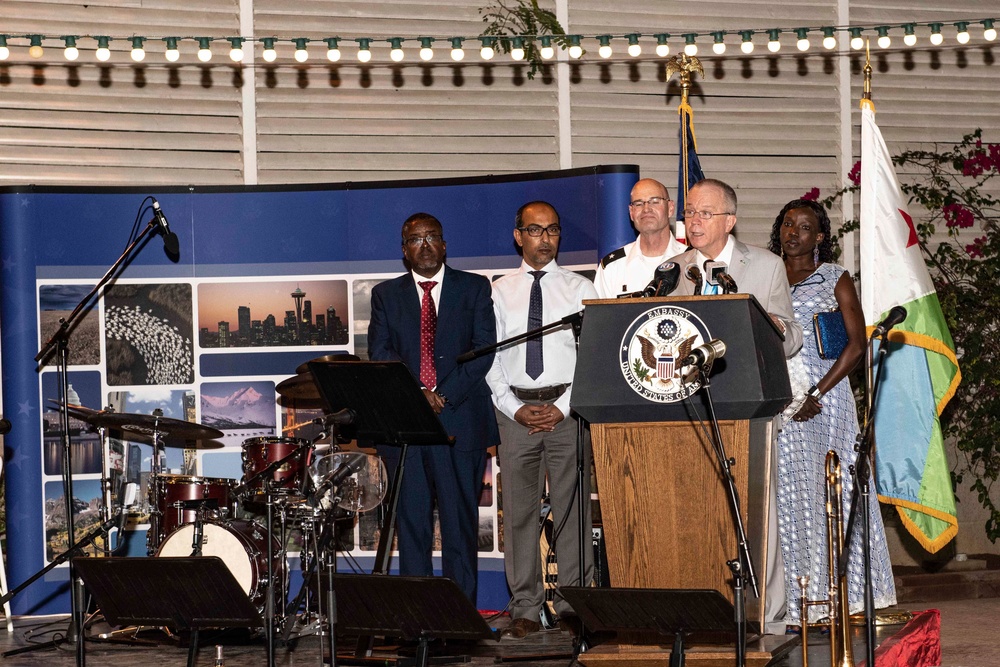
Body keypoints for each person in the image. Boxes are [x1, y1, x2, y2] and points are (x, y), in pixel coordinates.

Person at [768, 199, 897, 627]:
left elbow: (857, 345)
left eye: (805, 227)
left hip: (826, 400)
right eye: (788, 224)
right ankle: (791, 601)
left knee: (827, 493)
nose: (794, 233)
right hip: (774, 400)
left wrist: (814, 393)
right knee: (784, 497)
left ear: (819, 236)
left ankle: (838, 598)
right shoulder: (764, 274)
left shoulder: (834, 277)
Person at [368, 212, 499, 604]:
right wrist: (419, 392)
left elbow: (483, 349)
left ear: (444, 244)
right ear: (404, 250)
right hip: (408, 429)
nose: (424, 246)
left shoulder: (474, 288)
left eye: (432, 237)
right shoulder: (385, 295)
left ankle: (459, 619)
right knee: (412, 529)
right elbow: (381, 354)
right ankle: (418, 619)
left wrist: (442, 393)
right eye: (414, 239)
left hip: (462, 423)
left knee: (460, 527)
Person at [487, 201, 598, 639]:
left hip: (566, 412)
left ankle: (573, 603)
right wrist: (514, 407)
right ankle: (526, 607)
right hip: (515, 413)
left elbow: (592, 355)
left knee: (572, 510)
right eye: (535, 231)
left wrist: (564, 406)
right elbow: (490, 357)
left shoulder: (580, 287)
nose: (545, 239)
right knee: (518, 514)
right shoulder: (497, 290)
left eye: (552, 231)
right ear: (519, 236)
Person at [664, 178, 803, 358]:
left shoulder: (768, 266)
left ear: (729, 222)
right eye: (690, 211)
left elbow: (793, 339)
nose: (694, 221)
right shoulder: (672, 269)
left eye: (706, 213)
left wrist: (778, 329)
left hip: (745, 377)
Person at [594, 178, 688, 298]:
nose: (646, 209)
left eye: (654, 201)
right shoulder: (612, 267)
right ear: (631, 212)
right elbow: (599, 316)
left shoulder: (691, 262)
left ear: (670, 208)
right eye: (639, 203)